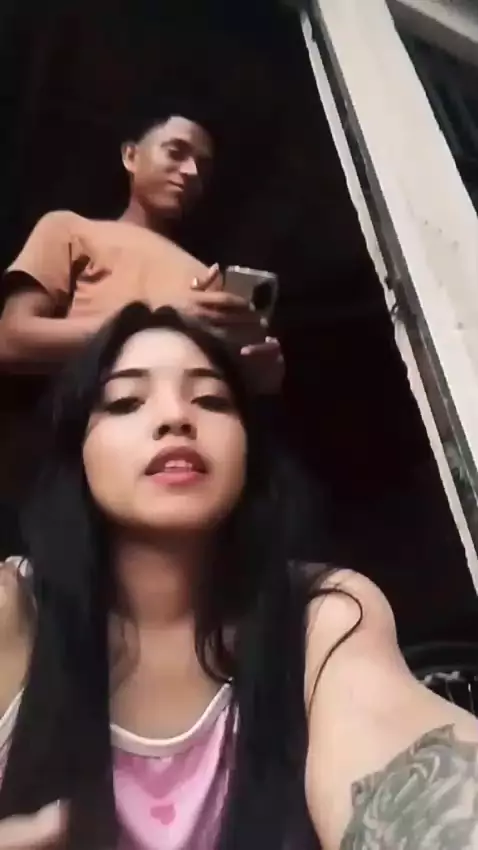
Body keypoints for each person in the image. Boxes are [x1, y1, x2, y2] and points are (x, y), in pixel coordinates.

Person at [0, 303, 477, 850]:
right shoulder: (13, 610)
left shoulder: (322, 616)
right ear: (76, 452)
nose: (176, 417)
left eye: (211, 400)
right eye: (126, 401)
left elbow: (397, 746)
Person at [0, 108, 281, 549]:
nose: (191, 172)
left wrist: (259, 375)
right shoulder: (71, 229)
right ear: (131, 156)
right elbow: (12, 340)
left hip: (181, 470)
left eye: (203, 167)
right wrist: (158, 313)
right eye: (176, 152)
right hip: (72, 456)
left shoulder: (206, 277)